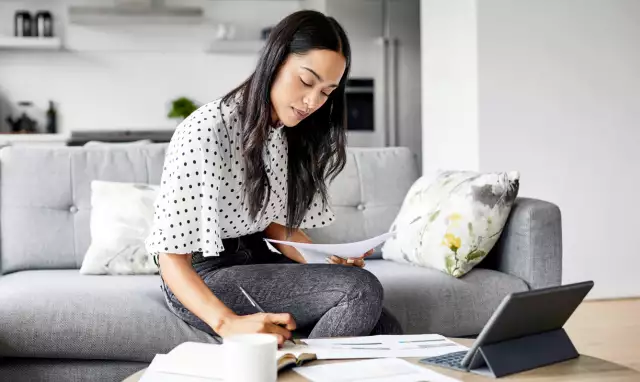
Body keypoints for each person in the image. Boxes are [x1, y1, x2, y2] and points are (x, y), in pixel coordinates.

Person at [145, 10, 402, 345]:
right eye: (307, 81)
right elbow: (171, 258)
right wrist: (227, 324)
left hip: (255, 258)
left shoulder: (285, 131)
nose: (313, 101)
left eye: (327, 92)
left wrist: (328, 260)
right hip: (201, 277)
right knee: (361, 291)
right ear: (275, 61)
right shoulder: (207, 129)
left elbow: (274, 225)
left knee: (385, 328)